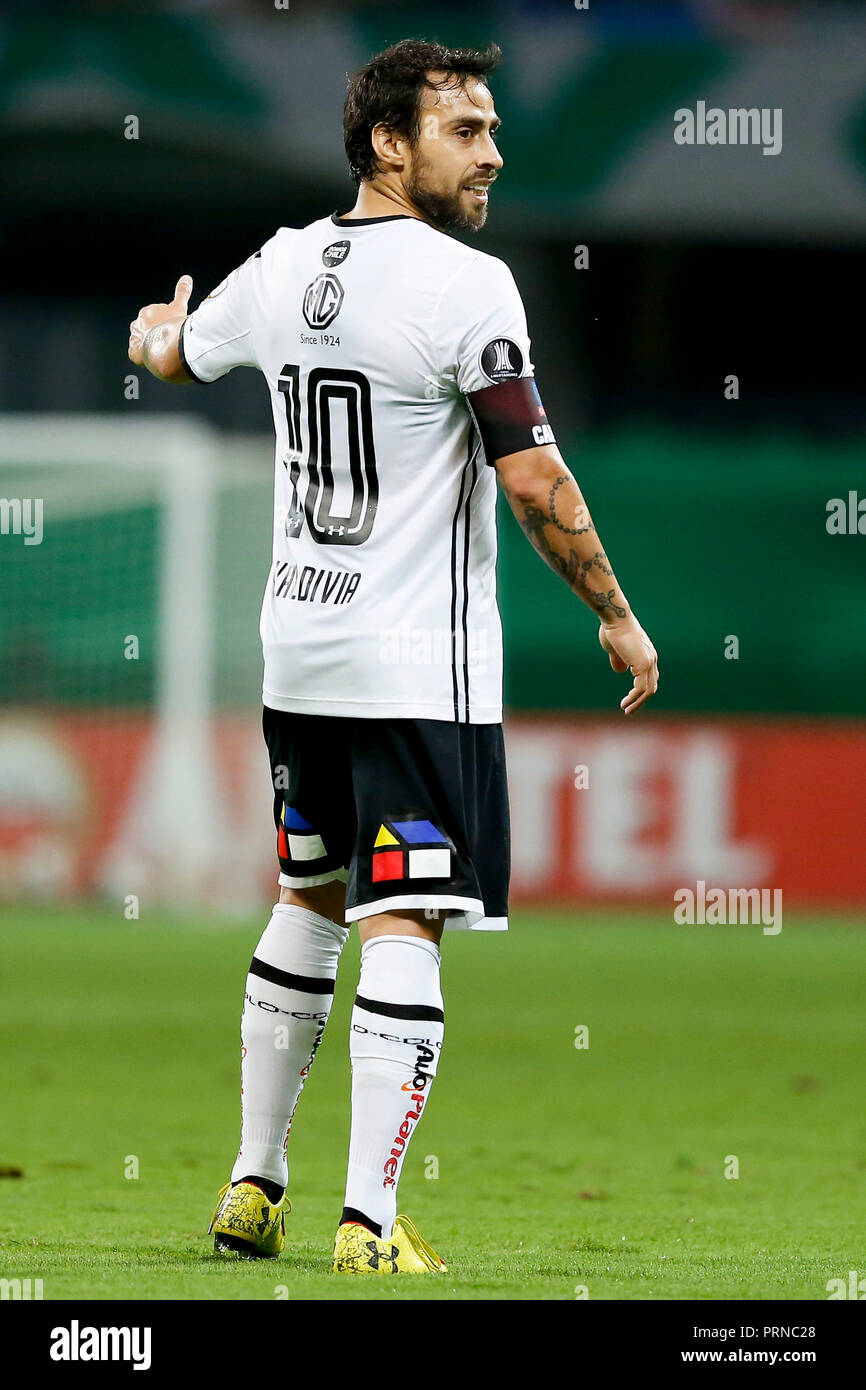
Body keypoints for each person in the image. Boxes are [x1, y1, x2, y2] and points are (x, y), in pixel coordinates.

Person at [127, 37, 659, 1277]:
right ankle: (367, 1217)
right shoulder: (468, 287)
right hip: (415, 668)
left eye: (487, 129)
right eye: (465, 129)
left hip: (297, 655)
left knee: (306, 898)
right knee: (406, 915)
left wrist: (156, 333)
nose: (492, 151)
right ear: (387, 143)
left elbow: (175, 350)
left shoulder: (279, 263)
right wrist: (614, 611)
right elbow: (531, 476)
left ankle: (253, 1185)